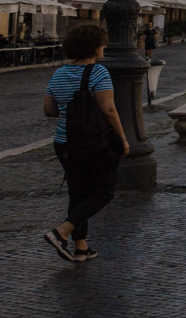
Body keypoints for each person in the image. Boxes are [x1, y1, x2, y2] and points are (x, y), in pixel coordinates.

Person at [41, 22, 127, 262]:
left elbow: (49, 110)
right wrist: (122, 138)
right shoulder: (99, 72)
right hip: (93, 142)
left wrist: (73, 111)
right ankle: (62, 231)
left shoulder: (58, 73)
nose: (104, 47)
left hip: (64, 142)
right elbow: (109, 110)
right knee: (105, 191)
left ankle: (81, 248)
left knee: (77, 193)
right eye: (102, 44)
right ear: (94, 47)